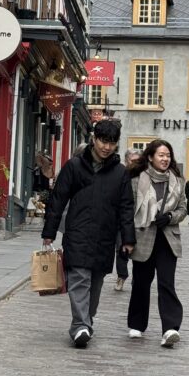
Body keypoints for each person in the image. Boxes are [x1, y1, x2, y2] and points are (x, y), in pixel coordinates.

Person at [42, 119, 135, 348]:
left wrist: (128, 238)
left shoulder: (120, 173)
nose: (106, 147)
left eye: (112, 143)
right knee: (79, 279)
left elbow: (126, 207)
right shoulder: (74, 166)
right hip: (78, 232)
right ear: (94, 139)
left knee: (96, 283)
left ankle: (85, 321)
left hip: (105, 235)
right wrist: (49, 231)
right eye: (103, 141)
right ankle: (81, 325)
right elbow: (58, 199)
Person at [127, 139, 188, 348]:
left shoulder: (178, 181)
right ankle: (137, 323)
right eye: (161, 155)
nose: (165, 159)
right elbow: (128, 209)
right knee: (141, 284)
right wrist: (125, 239)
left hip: (167, 239)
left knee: (166, 283)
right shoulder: (137, 180)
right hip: (143, 236)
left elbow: (183, 209)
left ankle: (170, 328)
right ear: (151, 157)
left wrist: (170, 216)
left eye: (168, 155)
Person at [114, 148, 142, 292]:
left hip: (140, 221)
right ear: (126, 160)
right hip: (122, 220)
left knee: (140, 252)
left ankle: (138, 280)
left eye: (138, 161)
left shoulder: (145, 177)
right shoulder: (120, 175)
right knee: (121, 249)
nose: (135, 164)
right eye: (133, 161)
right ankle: (122, 276)